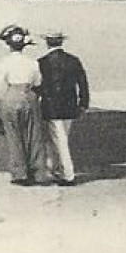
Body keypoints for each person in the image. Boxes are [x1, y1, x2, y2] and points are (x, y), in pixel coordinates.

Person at [0, 24, 46, 186]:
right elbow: (38, 81)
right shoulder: (32, 63)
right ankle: (37, 172)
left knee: (14, 135)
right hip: (29, 96)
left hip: (11, 96)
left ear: (8, 44)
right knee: (33, 135)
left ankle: (20, 173)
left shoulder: (4, 62)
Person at [38, 30, 90, 187]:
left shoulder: (42, 62)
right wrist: (83, 104)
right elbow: (82, 83)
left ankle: (67, 174)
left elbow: (38, 86)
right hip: (69, 106)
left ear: (47, 42)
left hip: (51, 108)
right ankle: (56, 170)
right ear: (61, 42)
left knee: (58, 141)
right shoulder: (73, 60)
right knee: (61, 138)